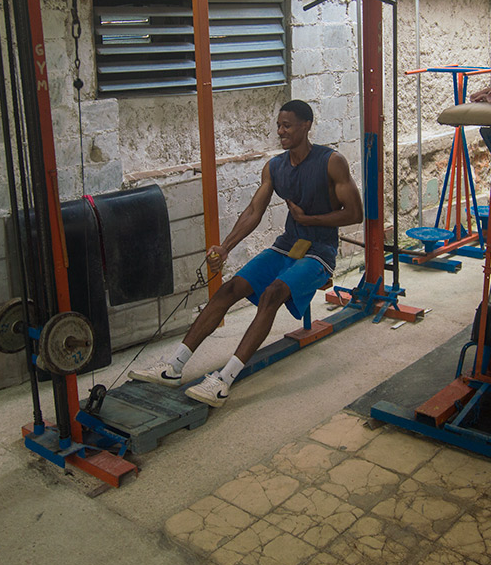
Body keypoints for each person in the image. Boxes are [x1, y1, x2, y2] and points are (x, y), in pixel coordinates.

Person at [129, 100, 363, 407]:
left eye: (287, 125)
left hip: (319, 252)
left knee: (272, 294)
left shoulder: (332, 161)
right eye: (279, 125)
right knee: (230, 289)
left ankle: (224, 381)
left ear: (306, 126)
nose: (281, 131)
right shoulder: (275, 167)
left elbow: (356, 213)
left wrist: (310, 220)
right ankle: (173, 366)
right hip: (287, 245)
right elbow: (254, 210)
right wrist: (224, 248)